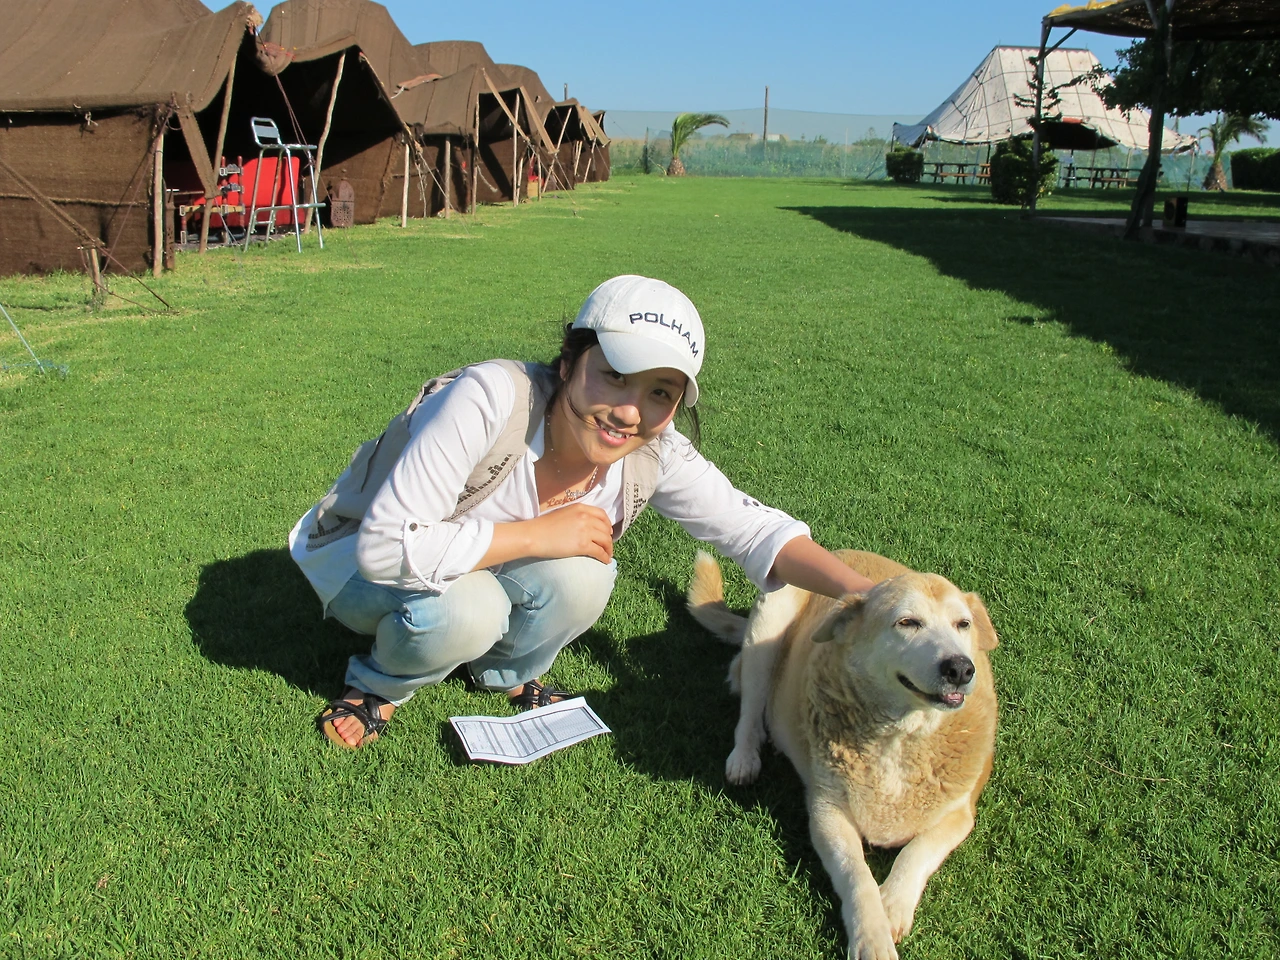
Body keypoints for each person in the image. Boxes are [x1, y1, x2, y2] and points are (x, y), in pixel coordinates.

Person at [289, 275, 875, 749]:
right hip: (354, 559)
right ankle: (379, 685)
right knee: (474, 608)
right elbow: (387, 545)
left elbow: (755, 530)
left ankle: (504, 673)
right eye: (614, 376)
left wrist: (867, 597)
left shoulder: (656, 448)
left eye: (659, 393)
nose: (629, 413)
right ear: (570, 361)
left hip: (461, 557)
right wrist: (536, 536)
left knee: (589, 572)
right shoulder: (491, 398)